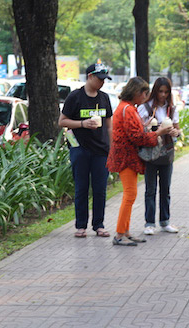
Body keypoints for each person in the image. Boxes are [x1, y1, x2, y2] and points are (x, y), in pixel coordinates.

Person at [106, 77, 172, 246]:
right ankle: (120, 234)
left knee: (131, 194)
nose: (145, 96)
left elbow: (135, 132)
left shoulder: (128, 108)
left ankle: (125, 232)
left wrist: (145, 127)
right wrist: (159, 132)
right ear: (136, 92)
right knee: (129, 195)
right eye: (143, 93)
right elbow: (137, 137)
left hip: (127, 157)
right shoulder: (127, 109)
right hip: (126, 158)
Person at [58, 62, 113, 238]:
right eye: (99, 79)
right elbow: (62, 121)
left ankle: (99, 225)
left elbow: (109, 126)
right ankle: (80, 225)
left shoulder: (104, 98)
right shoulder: (75, 97)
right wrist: (82, 124)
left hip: (101, 150)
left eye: (105, 79)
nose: (102, 83)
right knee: (81, 188)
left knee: (100, 189)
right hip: (80, 149)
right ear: (90, 77)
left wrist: (112, 148)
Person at [137, 77, 181, 235]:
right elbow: (140, 131)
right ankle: (149, 223)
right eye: (160, 91)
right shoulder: (145, 108)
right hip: (150, 153)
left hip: (167, 152)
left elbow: (178, 129)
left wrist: (176, 132)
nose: (163, 95)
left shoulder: (172, 109)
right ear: (155, 91)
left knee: (165, 188)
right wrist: (154, 129)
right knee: (150, 189)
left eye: (166, 92)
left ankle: (165, 221)